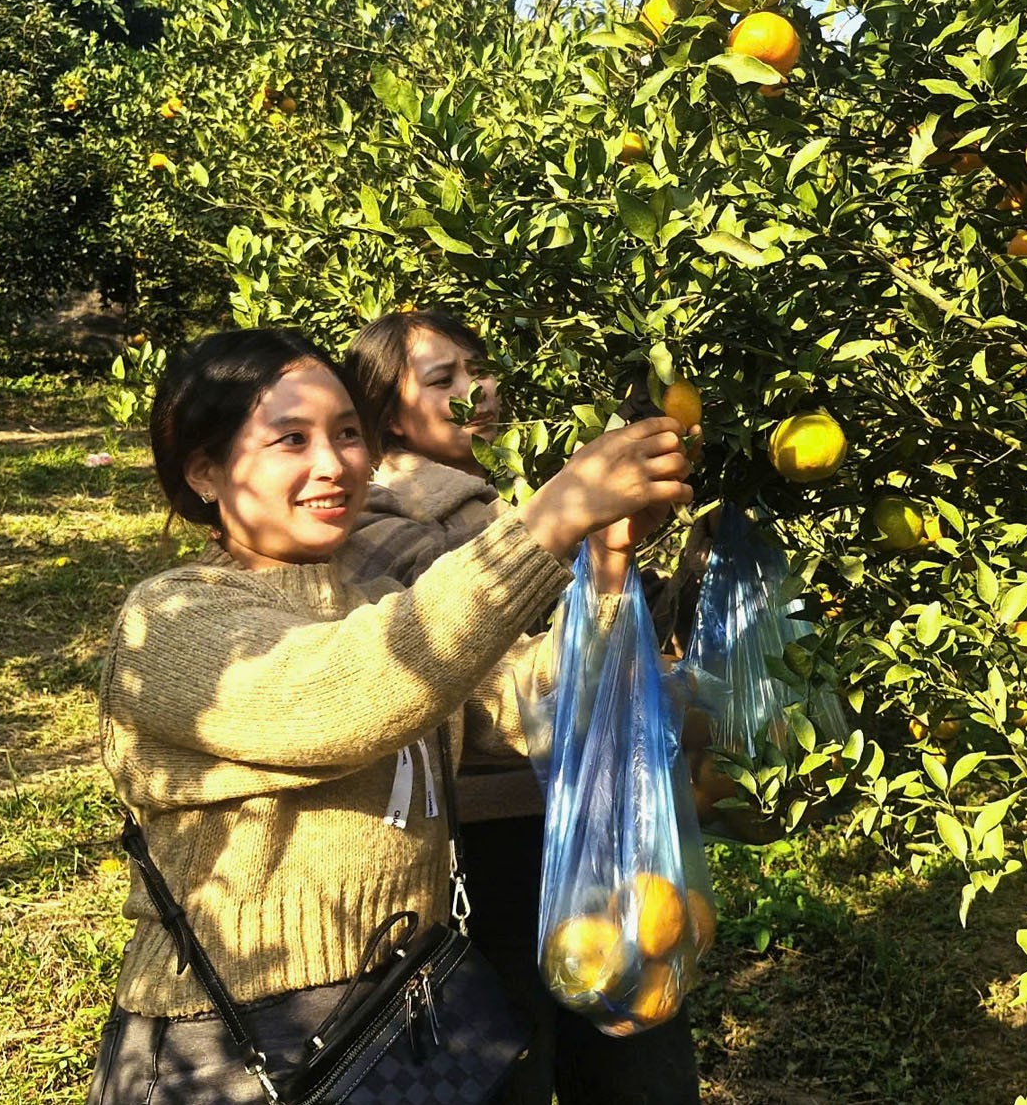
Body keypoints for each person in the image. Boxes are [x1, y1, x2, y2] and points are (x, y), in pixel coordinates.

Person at [89, 327, 691, 1103]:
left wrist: (604, 566)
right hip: (231, 1043)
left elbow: (529, 704)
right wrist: (551, 519)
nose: (332, 463)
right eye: (290, 440)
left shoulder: (370, 600)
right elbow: (341, 697)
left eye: (346, 434)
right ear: (205, 471)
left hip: (390, 1020)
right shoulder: (171, 620)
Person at [343, 308, 704, 1105]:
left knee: (612, 1030)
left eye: (478, 368)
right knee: (544, 1049)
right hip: (495, 837)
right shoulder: (382, 525)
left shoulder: (503, 500)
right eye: (443, 380)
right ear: (383, 410)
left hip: (579, 810)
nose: (476, 391)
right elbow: (481, 693)